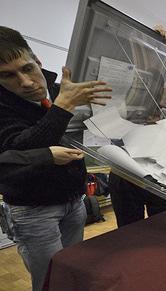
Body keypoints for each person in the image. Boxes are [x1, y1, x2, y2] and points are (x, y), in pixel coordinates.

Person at [0, 26, 111, 291]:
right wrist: (63, 108)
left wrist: (146, 43)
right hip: (33, 210)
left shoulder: (61, 88)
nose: (25, 82)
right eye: (7, 76)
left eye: (27, 68)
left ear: (38, 60)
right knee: (50, 281)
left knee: (71, 270)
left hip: (74, 201)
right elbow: (17, 149)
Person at [108, 26, 166, 228]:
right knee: (129, 229)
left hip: (157, 175)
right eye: (165, 92)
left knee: (163, 225)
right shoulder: (126, 105)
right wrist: (154, 46)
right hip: (125, 176)